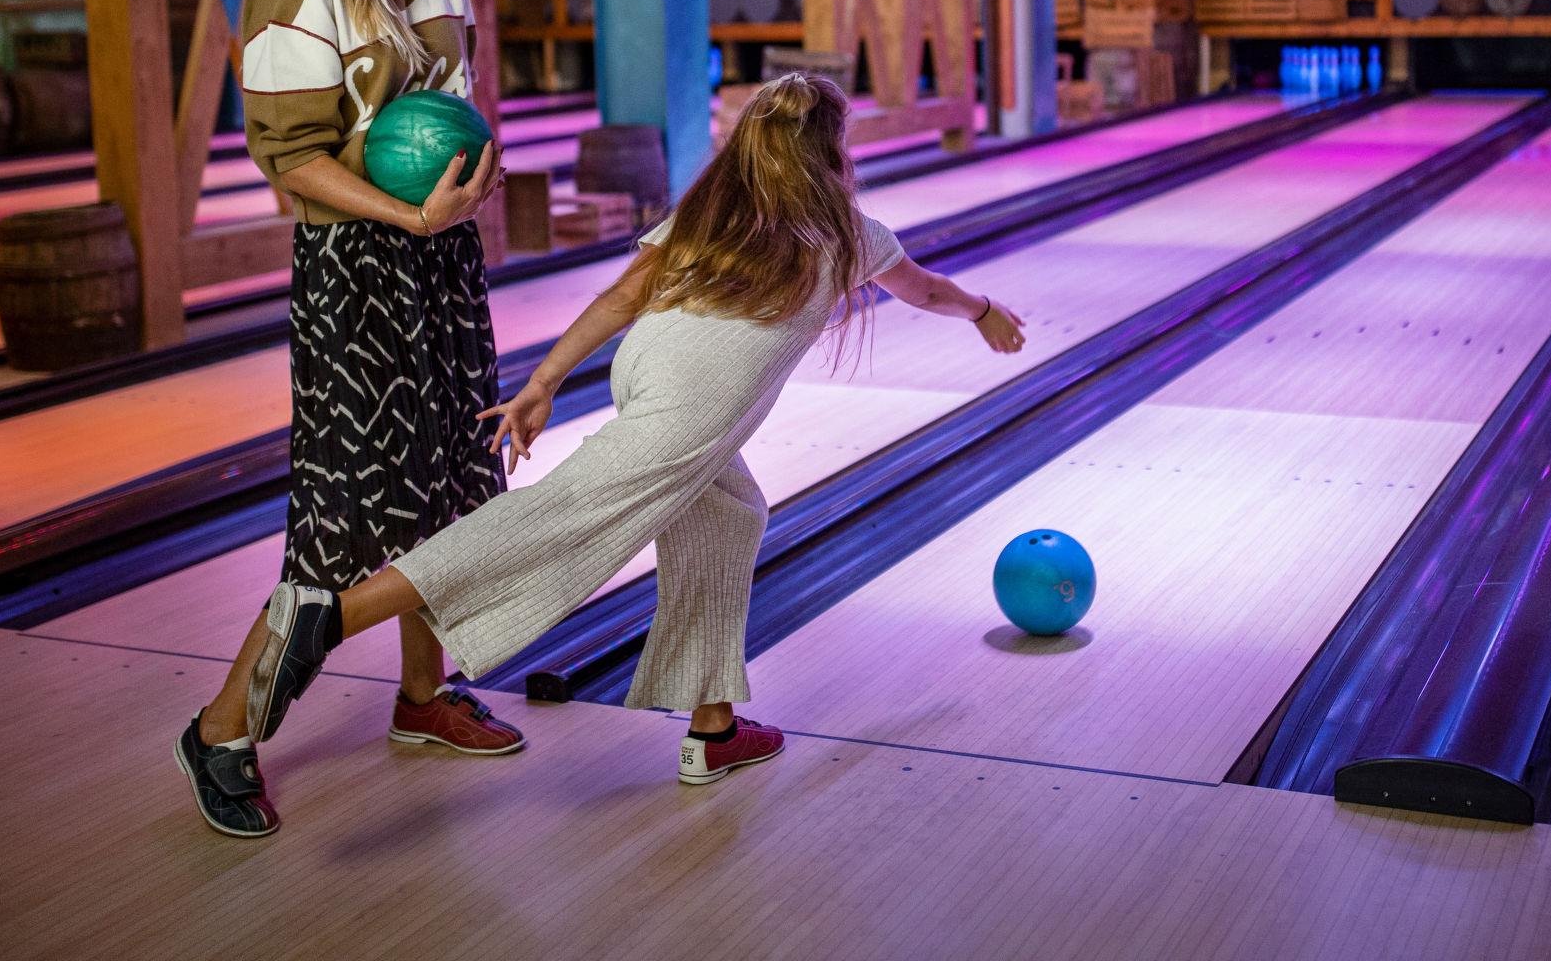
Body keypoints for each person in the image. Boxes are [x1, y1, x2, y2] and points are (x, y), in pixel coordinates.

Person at [219, 73, 1024, 814]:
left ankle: (713, 730)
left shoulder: (713, 210)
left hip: (647, 369)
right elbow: (927, 291)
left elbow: (623, 296)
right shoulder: (850, 230)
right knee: (563, 519)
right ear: (829, 157)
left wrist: (545, 380)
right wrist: (984, 310)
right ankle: (331, 613)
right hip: (692, 406)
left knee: (730, 512)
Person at [175, 0, 515, 840]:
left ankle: (421, 700)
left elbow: (450, 113)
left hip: (440, 264)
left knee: (458, 485)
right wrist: (405, 214)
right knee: (341, 524)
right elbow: (292, 162)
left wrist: (464, 182)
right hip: (355, 272)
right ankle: (223, 725)